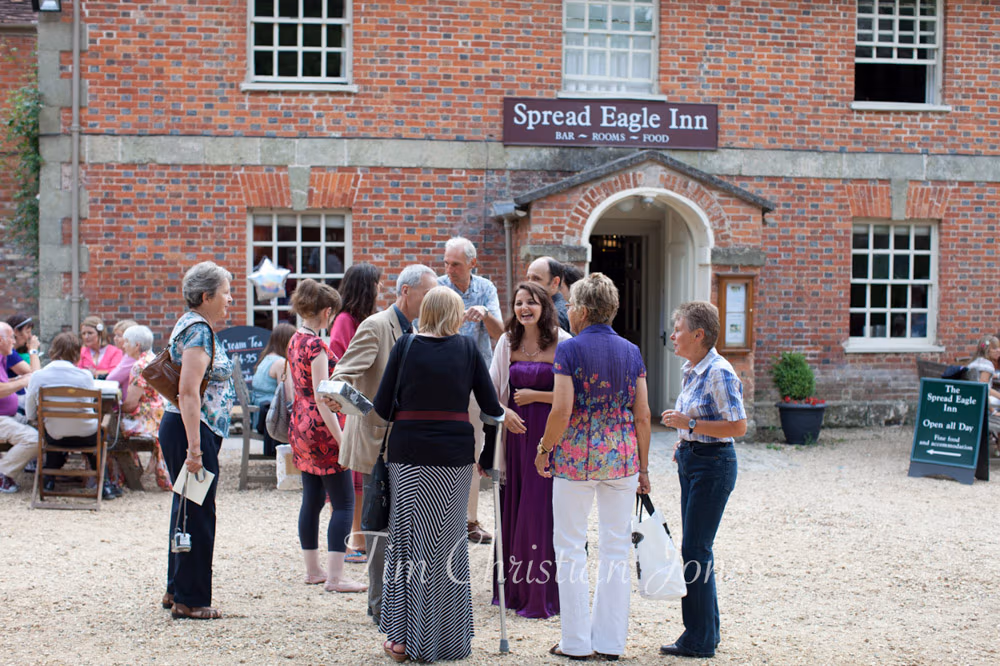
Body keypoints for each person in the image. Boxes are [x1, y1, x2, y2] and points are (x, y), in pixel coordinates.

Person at [375, 286, 504, 663]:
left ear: (425, 311)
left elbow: (383, 409)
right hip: (453, 456)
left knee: (408, 541)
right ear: (457, 313)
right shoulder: (466, 349)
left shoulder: (406, 346)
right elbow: (492, 408)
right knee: (447, 546)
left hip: (409, 453)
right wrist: (486, 453)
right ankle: (446, 640)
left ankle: (402, 638)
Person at [534, 272, 651, 660]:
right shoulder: (632, 351)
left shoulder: (570, 350)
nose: (567, 314)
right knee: (616, 548)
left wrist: (544, 447)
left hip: (575, 459)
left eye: (570, 308)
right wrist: (645, 469)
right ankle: (610, 642)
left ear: (583, 310)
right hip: (622, 459)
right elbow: (644, 415)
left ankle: (576, 643)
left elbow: (562, 409)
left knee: (570, 548)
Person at [328, 263, 438, 624]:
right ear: (405, 291)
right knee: (376, 526)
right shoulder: (375, 327)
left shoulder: (421, 330)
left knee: (403, 526)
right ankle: (378, 606)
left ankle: (397, 603)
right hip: (378, 445)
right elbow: (340, 377)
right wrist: (371, 414)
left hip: (410, 444)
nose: (431, 299)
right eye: (427, 292)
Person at [659, 301, 747, 659]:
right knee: (696, 548)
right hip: (693, 461)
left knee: (695, 550)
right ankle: (706, 631)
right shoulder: (691, 368)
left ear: (699, 334)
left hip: (714, 465)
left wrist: (689, 425)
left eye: (678, 329)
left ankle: (699, 639)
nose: (673, 335)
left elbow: (738, 427)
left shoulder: (718, 372)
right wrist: (684, 442)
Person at [488, 282, 571, 619]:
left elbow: (575, 396)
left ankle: (543, 593)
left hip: (549, 438)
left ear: (545, 306)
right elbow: (490, 390)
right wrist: (503, 412)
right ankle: (515, 589)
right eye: (519, 302)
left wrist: (538, 396)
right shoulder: (507, 343)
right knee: (516, 508)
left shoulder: (564, 343)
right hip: (516, 438)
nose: (524, 308)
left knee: (540, 510)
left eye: (532, 303)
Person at [158, 261, 235, 620]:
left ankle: (177, 588)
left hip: (190, 427)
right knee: (198, 513)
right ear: (206, 296)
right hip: (192, 429)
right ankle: (191, 599)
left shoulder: (191, 324)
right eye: (225, 292)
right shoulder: (199, 330)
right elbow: (187, 392)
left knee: (186, 509)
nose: (230, 299)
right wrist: (195, 449)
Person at [285, 278, 366, 594]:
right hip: (321, 428)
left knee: (313, 498)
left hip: (300, 424)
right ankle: (335, 577)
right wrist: (342, 436)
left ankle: (313, 570)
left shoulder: (294, 340)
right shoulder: (317, 346)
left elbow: (300, 390)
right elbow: (323, 395)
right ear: (328, 312)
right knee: (344, 502)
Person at [438, 236, 503, 545]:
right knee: (440, 448)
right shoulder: (437, 288)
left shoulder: (486, 289)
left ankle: (470, 520)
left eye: (456, 264)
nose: (449, 269)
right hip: (442, 379)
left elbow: (500, 334)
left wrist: (484, 314)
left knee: (475, 450)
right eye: (447, 263)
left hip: (476, 382)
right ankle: (441, 519)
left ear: (472, 264)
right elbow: (425, 331)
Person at [328, 262, 383, 561]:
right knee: (358, 482)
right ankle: (355, 541)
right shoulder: (345, 321)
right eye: (376, 284)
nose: (379, 290)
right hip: (352, 408)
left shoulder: (364, 319)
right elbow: (341, 366)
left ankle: (362, 536)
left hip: (365, 407)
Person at [24, 332, 120, 499]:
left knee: (55, 429)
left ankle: (48, 480)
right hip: (86, 436)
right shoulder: (85, 376)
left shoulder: (38, 376)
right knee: (95, 434)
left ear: (53, 351)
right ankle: (104, 485)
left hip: (55, 436)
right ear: (76, 353)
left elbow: (30, 413)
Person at [119, 325, 171, 491]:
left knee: (110, 432)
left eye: (126, 342)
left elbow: (131, 404)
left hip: (148, 421)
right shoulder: (155, 359)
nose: (123, 345)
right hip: (161, 417)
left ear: (137, 345)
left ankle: (122, 478)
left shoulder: (139, 366)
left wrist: (117, 407)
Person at [0, 322, 37, 493]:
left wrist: (18, 380)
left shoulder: (2, 357)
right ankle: (2, 474)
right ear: (0, 340)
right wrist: (23, 380)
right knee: (33, 439)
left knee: (43, 425)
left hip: (9, 415)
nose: (14, 342)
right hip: (2, 419)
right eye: (11, 338)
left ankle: (49, 474)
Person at [251, 322, 296, 457]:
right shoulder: (281, 363)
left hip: (258, 416)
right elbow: (288, 397)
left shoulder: (265, 359)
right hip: (270, 420)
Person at [965, 336, 1000, 455]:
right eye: (995, 349)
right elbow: (983, 389)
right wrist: (993, 410)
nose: (999, 351)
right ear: (987, 351)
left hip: (972, 404)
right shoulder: (988, 365)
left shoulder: (975, 362)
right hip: (980, 407)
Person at [526, 256, 571, 333]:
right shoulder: (547, 311)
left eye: (536, 279)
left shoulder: (554, 316)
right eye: (528, 278)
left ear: (555, 282)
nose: (529, 284)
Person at [106, 319, 139, 402]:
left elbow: (111, 379)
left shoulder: (131, 358)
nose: (115, 339)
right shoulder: (126, 354)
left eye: (119, 336)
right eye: (115, 335)